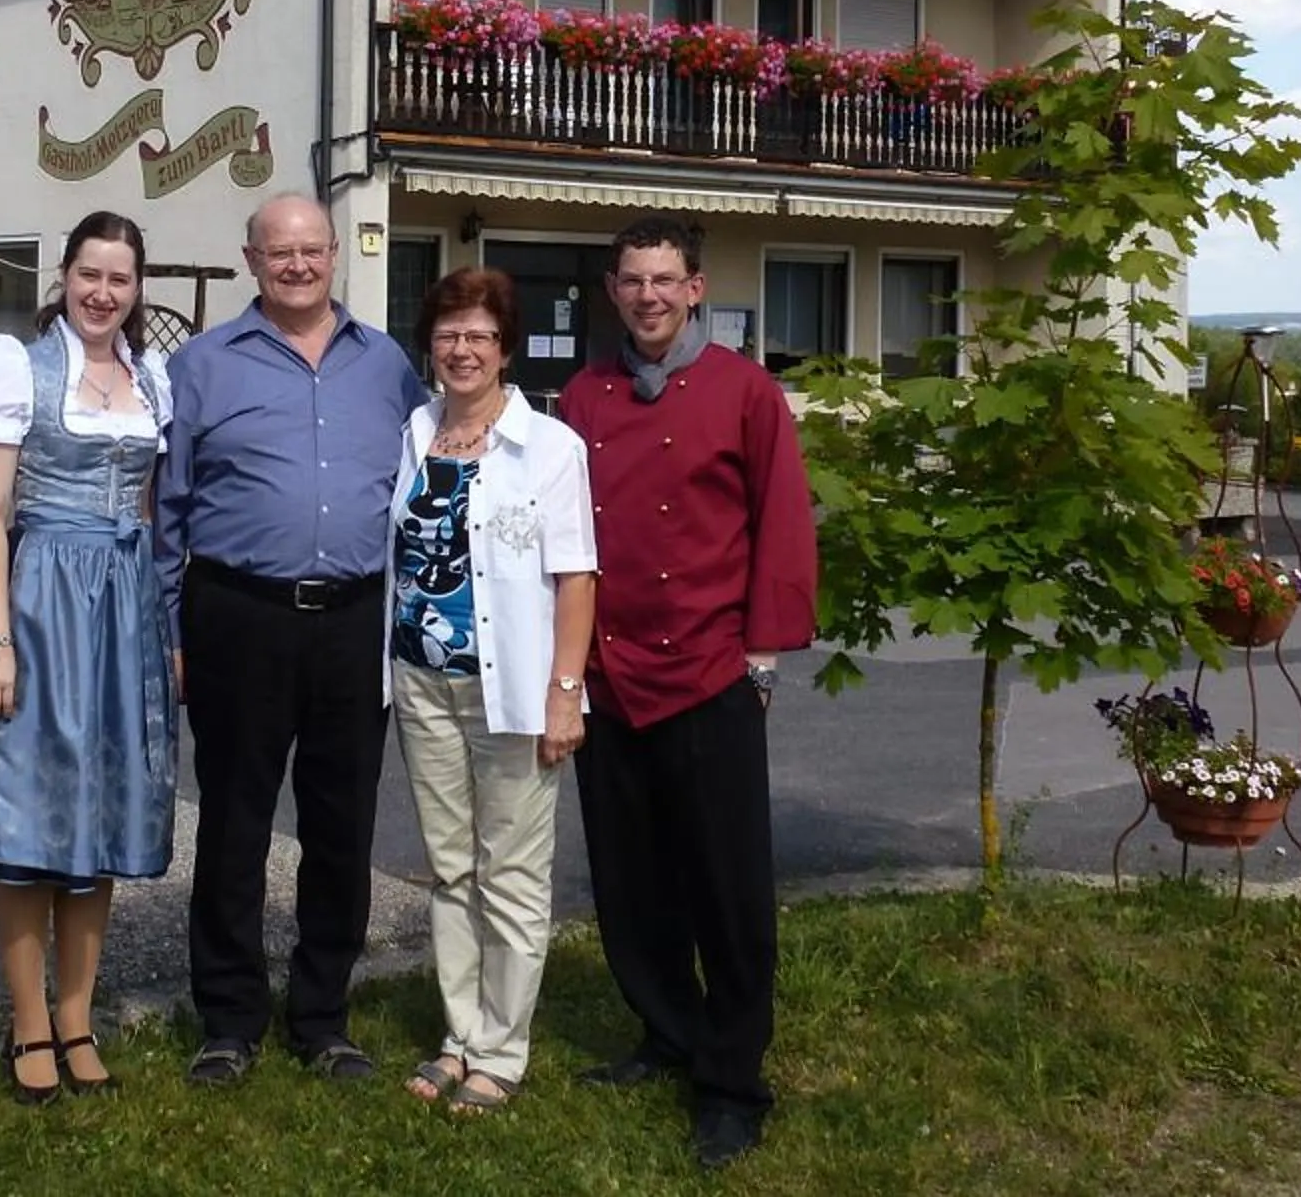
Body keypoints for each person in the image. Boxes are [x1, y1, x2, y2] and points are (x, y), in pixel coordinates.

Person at [560, 213, 817, 1172]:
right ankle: (665, 1032)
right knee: (630, 883)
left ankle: (732, 1080)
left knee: (728, 887)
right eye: (632, 281)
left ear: (696, 288)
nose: (649, 296)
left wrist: (762, 654)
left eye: (665, 280)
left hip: (712, 674)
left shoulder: (748, 394)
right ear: (613, 290)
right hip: (612, 674)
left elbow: (781, 524)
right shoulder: (583, 395)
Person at [156, 194, 427, 1086]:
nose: (299, 265)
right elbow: (168, 509)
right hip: (238, 613)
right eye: (282, 252)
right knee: (234, 821)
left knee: (341, 824)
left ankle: (323, 1017)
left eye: (313, 250)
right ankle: (230, 1019)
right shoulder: (200, 365)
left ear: (337, 254)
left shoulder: (386, 363)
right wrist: (171, 631)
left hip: (354, 619)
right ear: (251, 260)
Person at [0, 212, 177, 1105]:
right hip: (40, 605)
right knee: (32, 817)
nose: (104, 292)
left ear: (138, 288)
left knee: (102, 810)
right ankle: (27, 1022)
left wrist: (162, 636)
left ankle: (78, 1017)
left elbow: (146, 512)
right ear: (63, 276)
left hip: (125, 607)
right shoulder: (17, 366)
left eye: (121, 278)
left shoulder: (152, 377)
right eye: (90, 274)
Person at [386, 265, 597, 1115]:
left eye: (478, 335)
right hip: (420, 682)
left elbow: (577, 577)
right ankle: (458, 1034)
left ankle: (501, 1051)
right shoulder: (415, 431)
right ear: (429, 347)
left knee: (510, 873)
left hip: (510, 694)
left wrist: (564, 692)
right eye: (447, 335)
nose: (462, 349)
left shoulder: (550, 447)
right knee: (448, 869)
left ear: (505, 346)